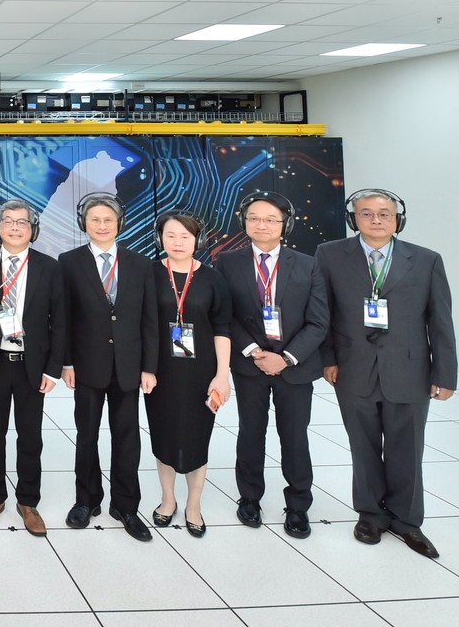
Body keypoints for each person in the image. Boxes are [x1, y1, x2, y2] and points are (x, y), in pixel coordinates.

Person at [316, 189, 455, 558]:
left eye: (384, 214)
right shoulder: (330, 255)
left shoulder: (426, 260)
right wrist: (328, 358)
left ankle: (407, 521)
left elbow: (441, 321)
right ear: (353, 219)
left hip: (410, 369)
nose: (376, 220)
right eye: (366, 213)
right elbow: (323, 313)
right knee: (362, 446)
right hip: (351, 367)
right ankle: (371, 515)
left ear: (398, 220)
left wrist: (446, 373)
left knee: (407, 448)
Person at [217, 191, 328, 538]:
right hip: (249, 365)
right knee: (251, 432)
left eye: (270, 219)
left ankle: (298, 505)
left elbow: (319, 322)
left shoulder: (308, 264)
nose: (261, 225)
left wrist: (286, 358)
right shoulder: (227, 261)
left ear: (285, 225)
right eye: (254, 218)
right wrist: (253, 351)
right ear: (244, 222)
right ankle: (249, 497)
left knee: (294, 436)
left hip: (294, 366)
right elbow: (224, 314)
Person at [58, 193, 158, 542]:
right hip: (86, 364)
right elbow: (64, 318)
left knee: (127, 437)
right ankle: (86, 500)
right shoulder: (69, 262)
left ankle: (126, 506)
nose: (102, 225)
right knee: (86, 435)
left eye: (108, 220)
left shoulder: (140, 263)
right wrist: (67, 362)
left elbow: (150, 320)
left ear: (119, 223)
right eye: (95, 220)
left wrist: (149, 367)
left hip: (129, 366)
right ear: (84, 223)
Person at [0, 198, 63, 536]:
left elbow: (59, 322)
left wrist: (52, 369)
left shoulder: (49, 267)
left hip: (31, 366)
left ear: (33, 229)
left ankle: (28, 501)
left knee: (30, 436)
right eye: (8, 221)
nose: (15, 227)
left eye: (22, 222)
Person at [145, 211, 231, 538]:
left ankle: (194, 504)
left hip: (201, 372)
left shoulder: (213, 278)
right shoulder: (149, 274)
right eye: (170, 236)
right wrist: (145, 368)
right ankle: (168, 499)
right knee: (163, 434)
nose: (178, 242)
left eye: (185, 236)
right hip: (160, 372)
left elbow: (222, 329)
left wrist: (222, 375)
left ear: (198, 240)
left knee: (197, 436)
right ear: (160, 239)